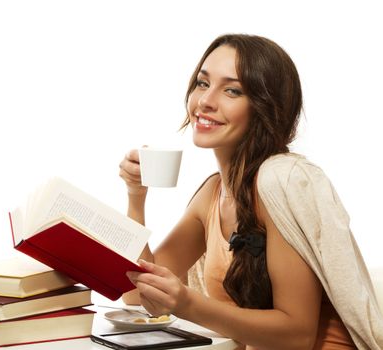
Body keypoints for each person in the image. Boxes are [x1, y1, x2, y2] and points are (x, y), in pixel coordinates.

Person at [118, 34, 383, 350]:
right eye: (203, 84)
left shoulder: (279, 182)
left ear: (264, 107)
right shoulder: (213, 193)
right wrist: (136, 195)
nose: (205, 101)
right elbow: (136, 292)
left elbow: (297, 335)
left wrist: (187, 303)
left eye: (232, 90)